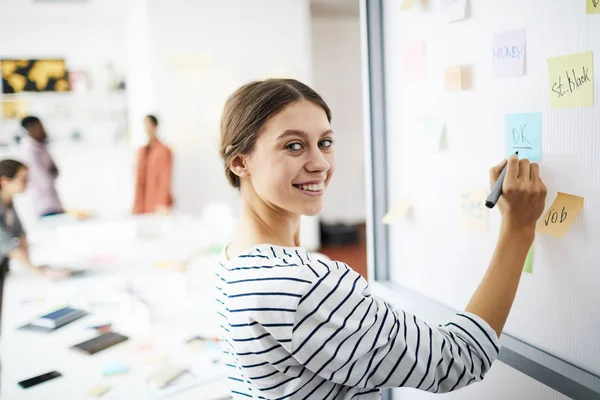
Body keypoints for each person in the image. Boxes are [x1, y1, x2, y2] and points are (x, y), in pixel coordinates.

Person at [216, 79, 547, 399]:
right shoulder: (300, 284)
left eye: (325, 142)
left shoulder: (233, 258)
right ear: (240, 161)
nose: (319, 163)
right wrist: (519, 229)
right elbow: (457, 360)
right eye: (293, 145)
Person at [20, 116, 64, 218]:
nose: (43, 129)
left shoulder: (40, 145)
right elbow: (41, 178)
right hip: (44, 203)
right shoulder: (29, 149)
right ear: (31, 128)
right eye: (40, 126)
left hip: (53, 200)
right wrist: (50, 175)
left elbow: (55, 169)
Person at [133, 115, 174, 215]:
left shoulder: (164, 150)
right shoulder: (141, 151)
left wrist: (162, 203)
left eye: (149, 124)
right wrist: (136, 204)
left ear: (155, 126)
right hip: (142, 205)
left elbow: (165, 178)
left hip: (157, 204)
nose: (147, 128)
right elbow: (138, 179)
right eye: (145, 124)